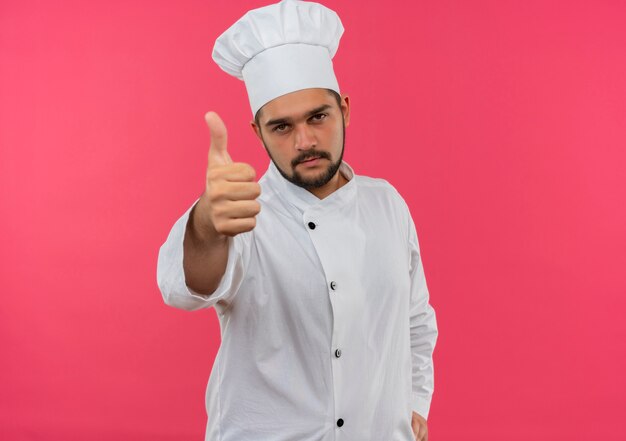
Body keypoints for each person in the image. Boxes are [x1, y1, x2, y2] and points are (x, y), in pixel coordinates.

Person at [157, 1, 438, 440]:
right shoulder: (246, 212)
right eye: (282, 127)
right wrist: (206, 224)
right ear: (257, 133)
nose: (305, 141)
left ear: (344, 109)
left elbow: (415, 320)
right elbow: (185, 288)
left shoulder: (388, 205)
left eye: (318, 117)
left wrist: (414, 403)